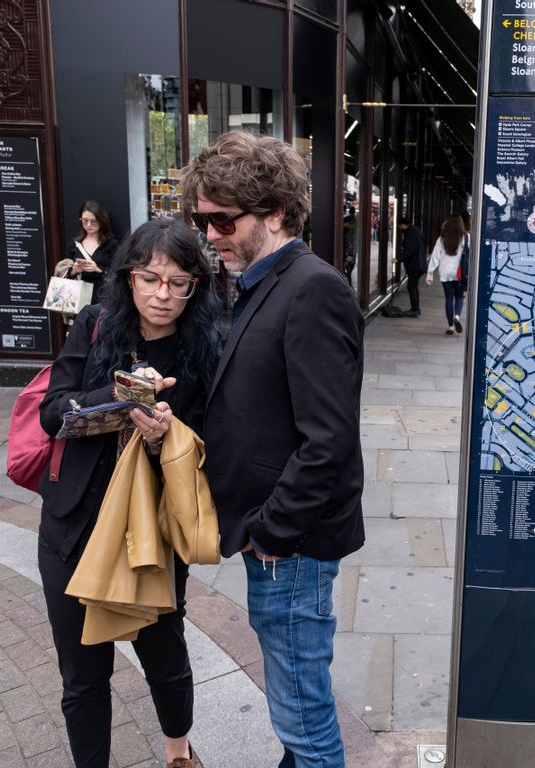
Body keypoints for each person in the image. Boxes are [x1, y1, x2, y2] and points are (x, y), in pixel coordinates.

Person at [181, 131, 365, 768]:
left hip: (292, 545)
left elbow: (330, 439)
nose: (210, 235)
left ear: (276, 213)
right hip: (279, 540)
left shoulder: (312, 289)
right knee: (296, 707)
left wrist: (272, 532)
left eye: (223, 220)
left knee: (304, 718)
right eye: (200, 219)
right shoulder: (261, 283)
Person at [38, 218, 221, 768]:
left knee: (164, 654)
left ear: (196, 287)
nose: (162, 295)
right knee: (83, 674)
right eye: (150, 279)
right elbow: (54, 412)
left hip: (155, 531)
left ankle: (176, 752)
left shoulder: (211, 347)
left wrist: (170, 433)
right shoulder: (95, 325)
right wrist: (119, 397)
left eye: (178, 282)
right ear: (128, 279)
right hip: (74, 526)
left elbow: (222, 441)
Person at [63, 201, 119, 303]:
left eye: (93, 221)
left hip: (104, 297)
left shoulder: (111, 244)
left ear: (102, 220)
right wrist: (74, 270)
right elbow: (66, 277)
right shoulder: (74, 244)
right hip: (79, 298)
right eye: (85, 220)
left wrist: (98, 269)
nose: (89, 225)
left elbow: (118, 273)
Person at [425, 214, 466, 335]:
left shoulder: (442, 239)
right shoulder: (466, 237)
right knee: (459, 297)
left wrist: (430, 273)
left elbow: (435, 257)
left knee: (449, 298)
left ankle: (450, 327)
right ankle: (457, 316)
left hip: (445, 273)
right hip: (460, 273)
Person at [397, 215, 426, 316]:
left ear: (403, 225)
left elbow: (409, 250)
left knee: (411, 286)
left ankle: (415, 309)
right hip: (418, 264)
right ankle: (416, 309)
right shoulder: (415, 231)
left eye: (400, 227)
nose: (400, 229)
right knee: (413, 286)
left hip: (415, 265)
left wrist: (398, 259)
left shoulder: (411, 233)